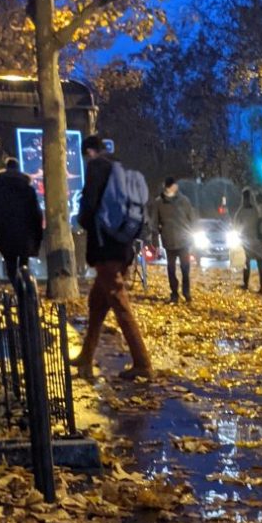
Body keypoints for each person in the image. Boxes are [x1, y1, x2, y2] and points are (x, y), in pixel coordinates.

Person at [70, 135, 153, 381]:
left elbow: (89, 206)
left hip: (105, 247)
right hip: (122, 245)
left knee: (119, 302)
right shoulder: (120, 168)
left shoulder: (97, 167)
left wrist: (83, 220)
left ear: (89, 152)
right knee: (97, 303)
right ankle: (86, 355)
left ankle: (142, 362)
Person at [0, 157, 43, 282]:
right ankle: (26, 283)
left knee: (11, 264)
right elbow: (36, 213)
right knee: (24, 262)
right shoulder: (28, 189)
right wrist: (36, 237)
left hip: (5, 233)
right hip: (26, 233)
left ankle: (17, 287)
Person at [150, 177, 197, 303]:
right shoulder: (159, 203)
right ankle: (174, 293)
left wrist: (192, 235)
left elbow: (192, 219)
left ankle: (186, 293)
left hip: (183, 241)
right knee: (171, 269)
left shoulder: (184, 201)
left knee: (185, 269)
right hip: (169, 241)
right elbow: (155, 222)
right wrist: (155, 240)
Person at [234, 188, 262, 294]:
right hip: (251, 241)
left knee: (256, 262)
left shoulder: (246, 211)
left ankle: (259, 286)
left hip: (254, 240)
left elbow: (236, 224)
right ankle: (250, 284)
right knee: (251, 263)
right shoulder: (254, 211)